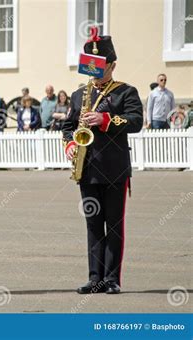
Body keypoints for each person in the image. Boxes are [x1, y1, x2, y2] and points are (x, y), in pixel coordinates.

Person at [62, 27, 143, 295]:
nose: (96, 72)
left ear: (112, 65)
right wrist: (71, 144)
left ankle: (112, 279)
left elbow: (136, 122)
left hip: (114, 169)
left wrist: (106, 120)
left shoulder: (125, 92)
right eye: (92, 67)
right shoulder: (78, 95)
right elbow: (67, 127)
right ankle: (94, 277)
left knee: (114, 225)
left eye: (101, 66)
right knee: (93, 225)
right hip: (87, 170)